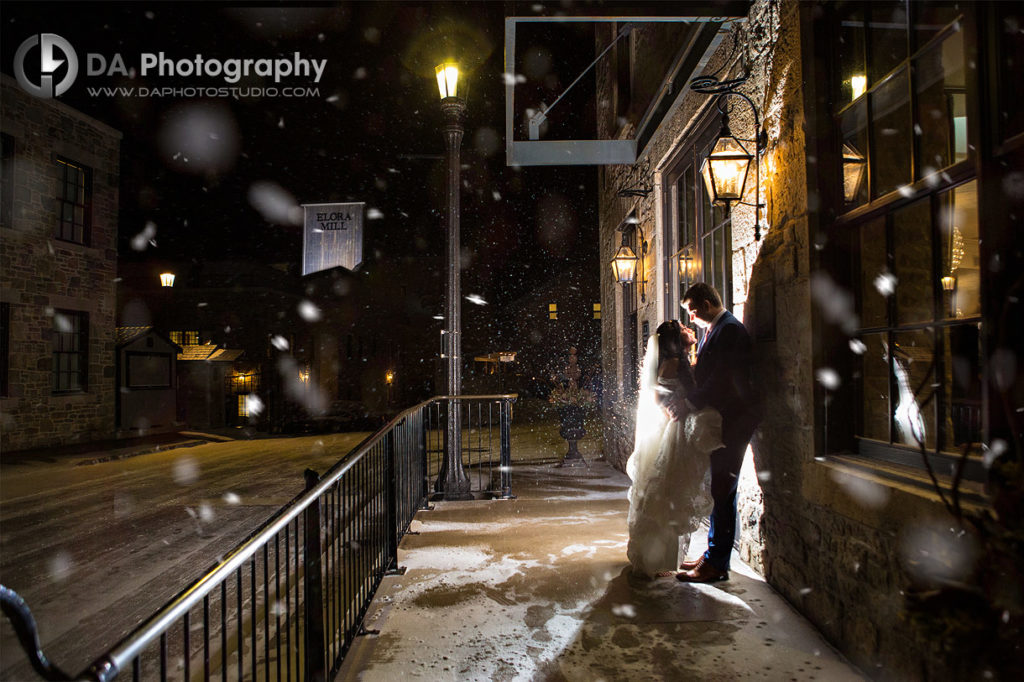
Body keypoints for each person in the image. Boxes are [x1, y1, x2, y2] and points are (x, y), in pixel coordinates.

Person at [672, 282, 760, 583]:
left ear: (708, 303)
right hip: (725, 420)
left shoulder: (730, 330)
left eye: (693, 312)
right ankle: (713, 553)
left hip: (734, 422)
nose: (692, 318)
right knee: (720, 489)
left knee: (723, 490)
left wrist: (688, 402)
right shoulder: (717, 329)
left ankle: (717, 564)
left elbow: (723, 380)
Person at [626, 320, 723, 578]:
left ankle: (661, 558)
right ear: (675, 340)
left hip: (677, 428)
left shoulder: (680, 361)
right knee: (666, 494)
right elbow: (658, 396)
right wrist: (671, 408)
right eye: (682, 328)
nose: (688, 328)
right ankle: (653, 558)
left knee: (669, 493)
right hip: (674, 432)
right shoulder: (673, 363)